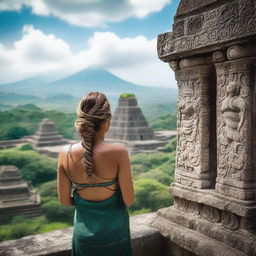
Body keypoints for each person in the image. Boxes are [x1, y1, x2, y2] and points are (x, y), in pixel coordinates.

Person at [57, 91, 134, 256]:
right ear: (107, 122)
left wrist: (87, 204)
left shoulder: (65, 153)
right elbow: (129, 199)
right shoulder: (118, 152)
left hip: (83, 235)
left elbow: (65, 201)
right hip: (116, 234)